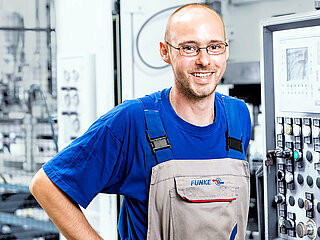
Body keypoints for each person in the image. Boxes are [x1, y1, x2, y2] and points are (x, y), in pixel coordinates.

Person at [30, 3, 251, 240]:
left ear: (226, 51)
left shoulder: (237, 116)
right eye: (189, 48)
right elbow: (46, 186)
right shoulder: (132, 121)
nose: (204, 60)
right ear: (165, 52)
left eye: (214, 47)